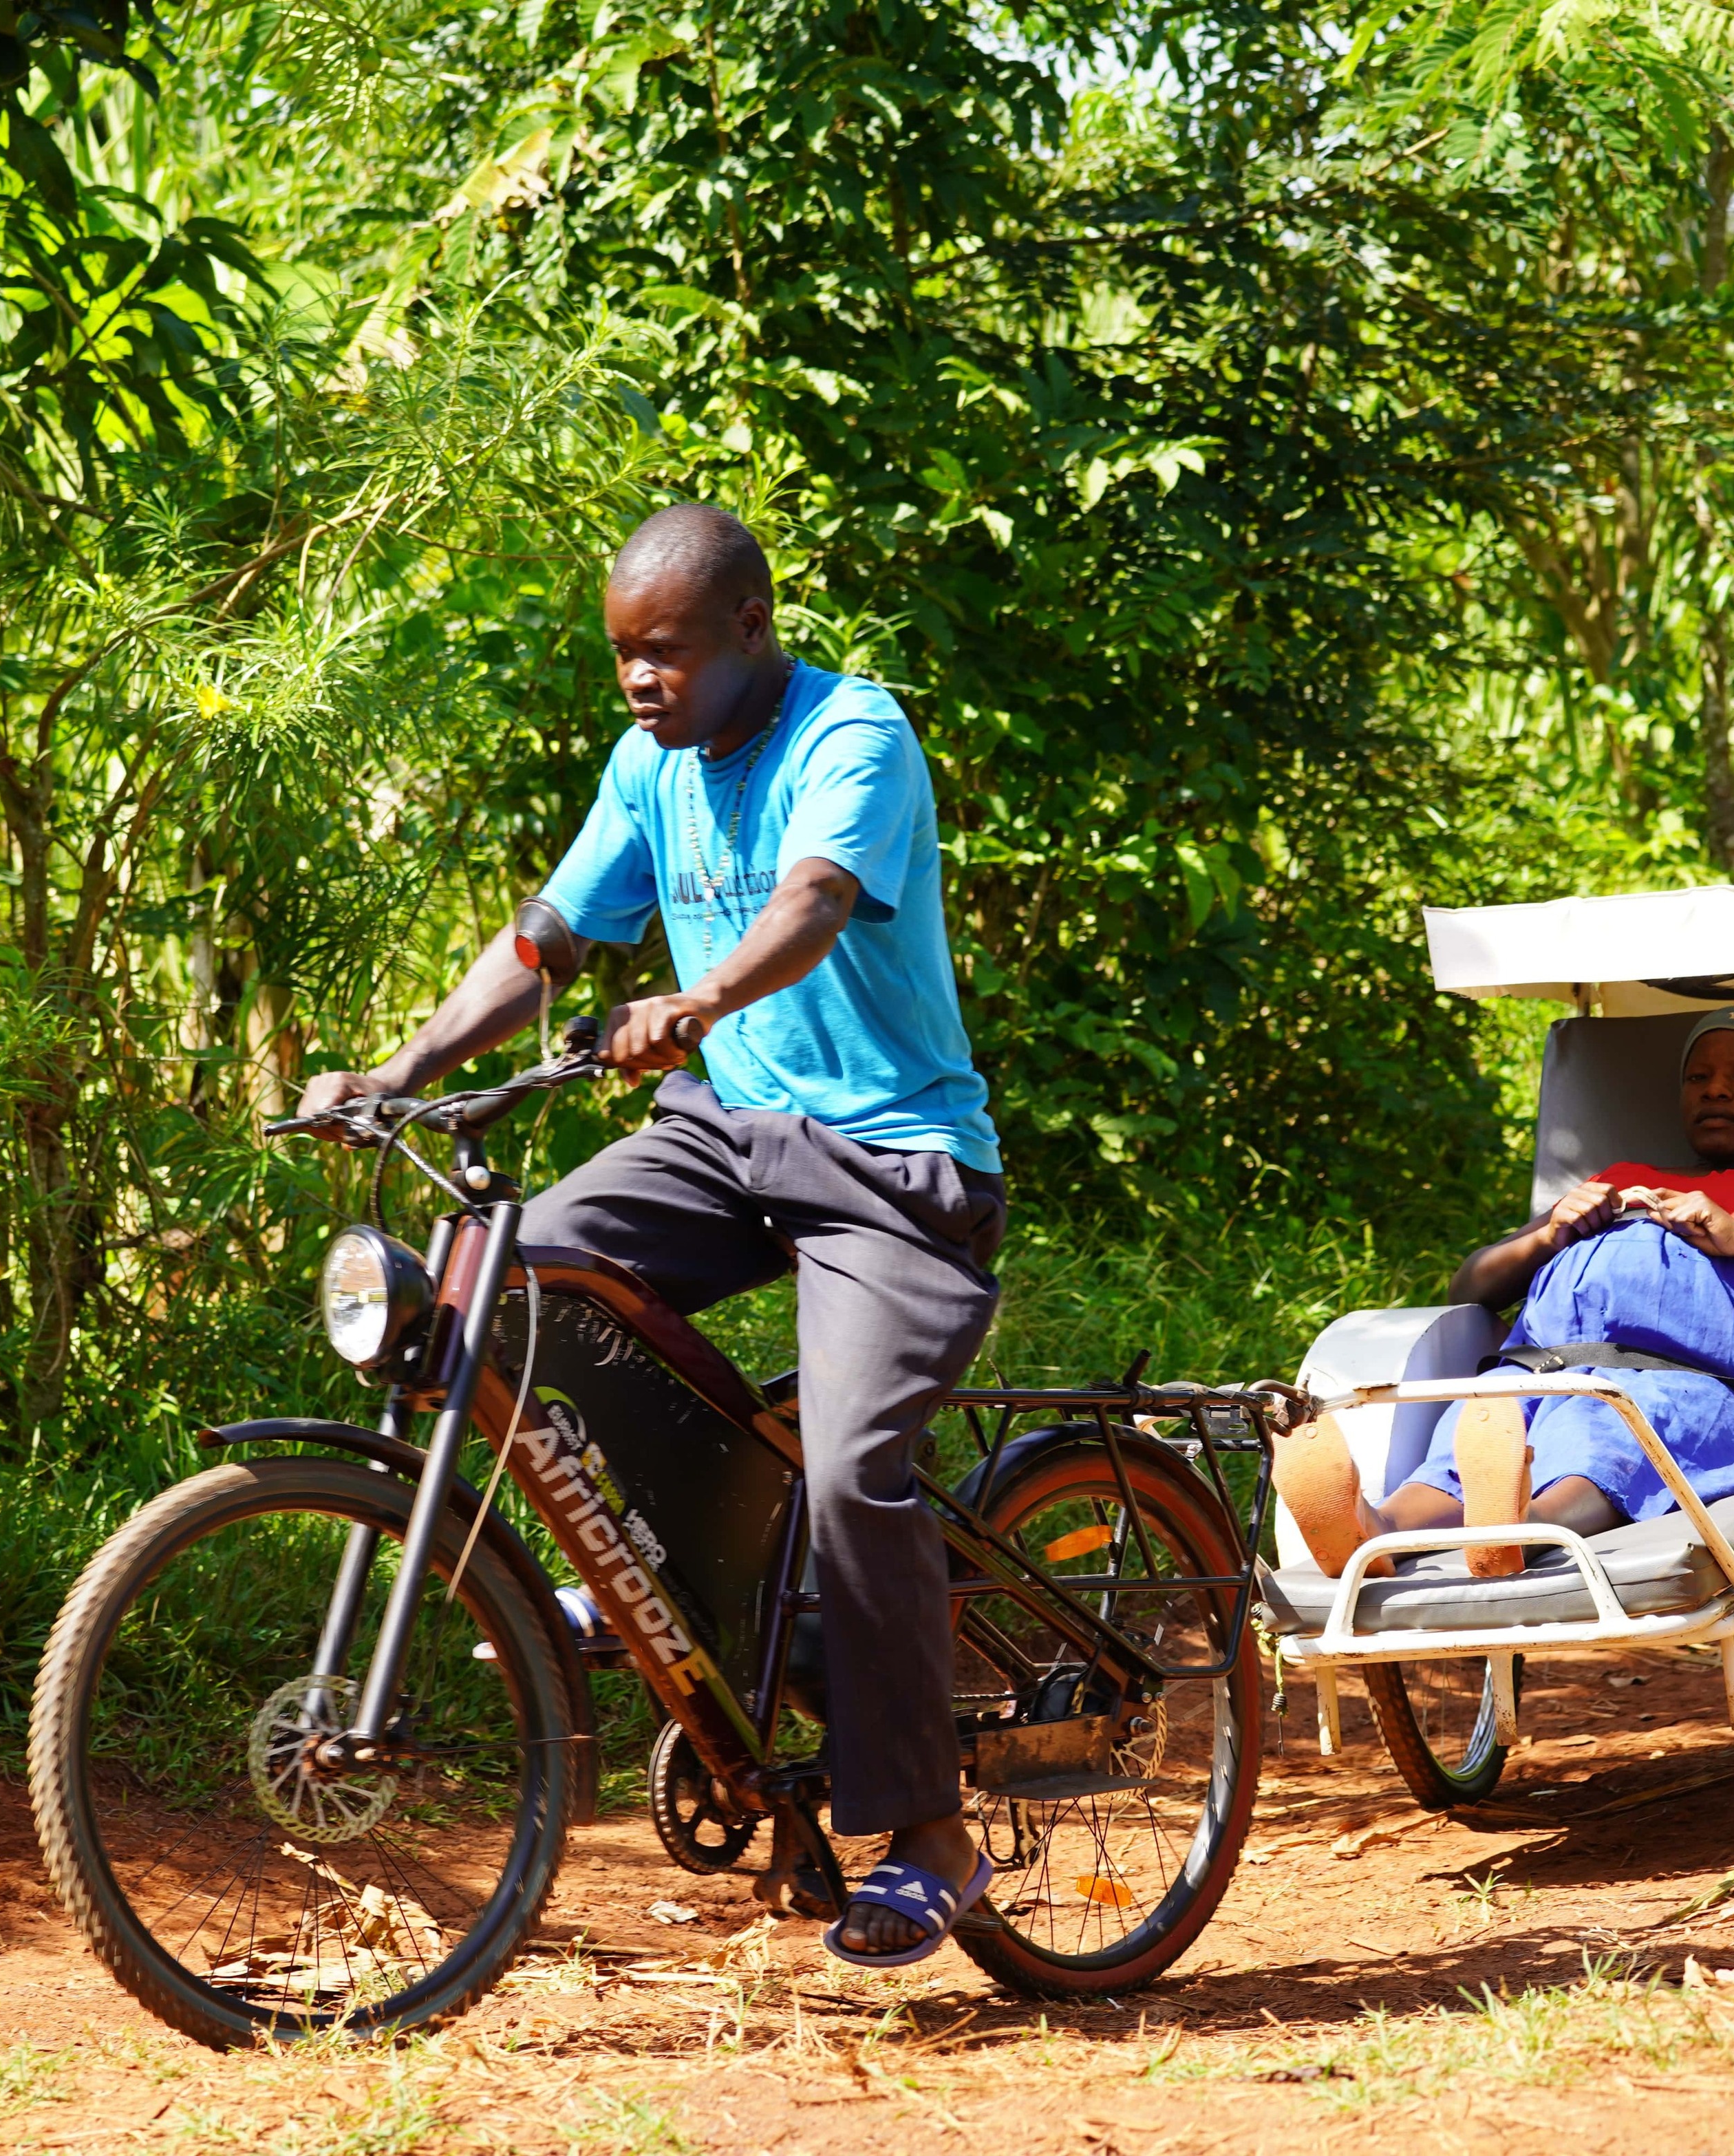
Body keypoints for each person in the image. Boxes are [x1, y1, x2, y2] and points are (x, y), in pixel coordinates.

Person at [296, 504, 1003, 1969]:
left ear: (749, 625)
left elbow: (811, 904)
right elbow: (546, 938)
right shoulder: (648, 767)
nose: (638, 682)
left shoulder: (850, 738)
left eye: (664, 652)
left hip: (894, 1168)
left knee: (862, 1465)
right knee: (507, 1284)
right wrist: (399, 1072)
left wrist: (700, 1000)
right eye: (622, 655)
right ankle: (674, 1586)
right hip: (725, 1138)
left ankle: (930, 1834)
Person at [1280, 1003, 1734, 1575]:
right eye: (1698, 1076)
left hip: (1690, 1380)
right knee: (1477, 1428)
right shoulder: (1622, 1174)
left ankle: (1523, 1526)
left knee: (1603, 1432)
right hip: (1544, 1365)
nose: (1714, 1089)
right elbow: (1473, 1284)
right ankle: (1373, 1529)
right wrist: (1548, 1235)